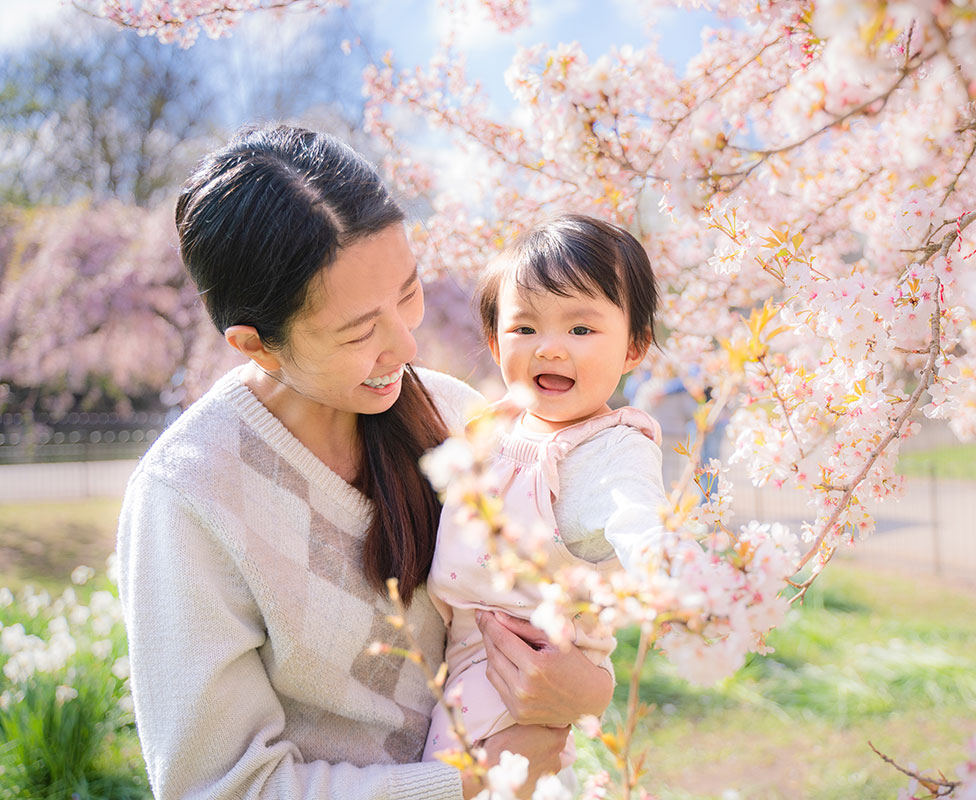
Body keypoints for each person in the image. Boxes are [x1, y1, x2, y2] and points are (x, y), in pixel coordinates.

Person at [115, 125, 613, 800]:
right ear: (257, 346)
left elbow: (536, 617)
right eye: (358, 331)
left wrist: (587, 687)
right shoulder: (190, 494)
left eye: (408, 292)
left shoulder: (454, 414)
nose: (406, 344)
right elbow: (219, 787)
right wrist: (465, 782)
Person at [421, 214, 668, 763]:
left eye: (581, 330)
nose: (550, 348)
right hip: (464, 654)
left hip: (531, 662)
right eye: (525, 328)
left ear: (635, 346)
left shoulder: (611, 448)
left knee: (455, 777)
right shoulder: (493, 424)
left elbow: (638, 513)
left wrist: (669, 573)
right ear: (492, 339)